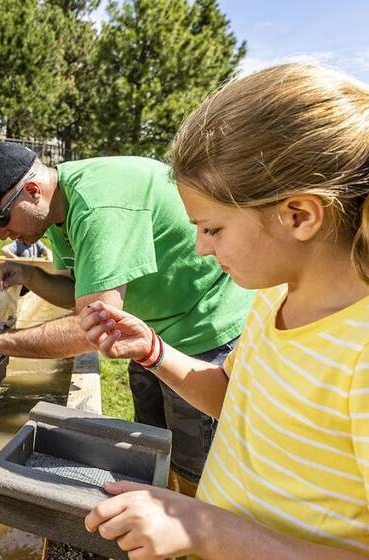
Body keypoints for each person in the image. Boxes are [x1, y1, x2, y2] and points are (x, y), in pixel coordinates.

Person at [79, 63, 369, 559]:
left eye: (212, 228)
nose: (201, 248)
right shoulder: (273, 297)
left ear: (299, 215)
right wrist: (153, 352)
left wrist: (206, 530)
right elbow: (236, 401)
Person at [0, 142, 253, 494]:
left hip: (203, 326)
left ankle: (189, 519)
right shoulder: (57, 211)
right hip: (149, 331)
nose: (2, 234)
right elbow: (81, 292)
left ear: (33, 191)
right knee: (152, 445)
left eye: (1, 219)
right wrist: (31, 276)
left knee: (195, 465)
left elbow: (91, 328)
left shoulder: (98, 207)